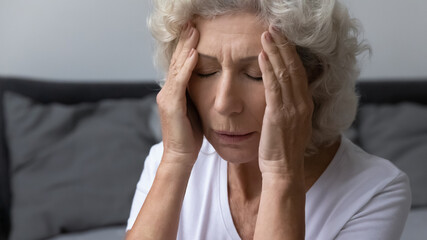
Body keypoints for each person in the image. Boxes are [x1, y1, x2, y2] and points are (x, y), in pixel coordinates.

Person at [125, 0, 411, 239]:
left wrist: (281, 174)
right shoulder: (163, 163)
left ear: (312, 78)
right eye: (205, 71)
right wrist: (175, 160)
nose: (225, 104)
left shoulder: (376, 192)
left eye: (256, 75)